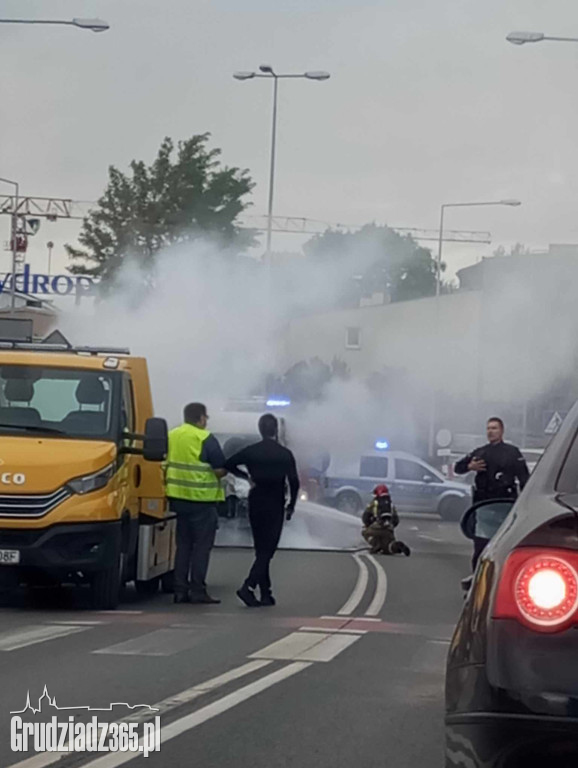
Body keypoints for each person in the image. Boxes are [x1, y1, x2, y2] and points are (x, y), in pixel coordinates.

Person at [224, 413, 300, 607]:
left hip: (256, 502)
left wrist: (246, 476)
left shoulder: (251, 451)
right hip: (275, 504)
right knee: (269, 550)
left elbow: (228, 464)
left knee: (261, 550)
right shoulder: (284, 454)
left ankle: (266, 593)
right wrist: (291, 506)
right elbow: (294, 482)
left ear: (260, 429)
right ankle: (248, 586)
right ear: (276, 430)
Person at [165, 402, 226, 605]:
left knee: (183, 546)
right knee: (201, 547)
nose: (206, 421)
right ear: (200, 418)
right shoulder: (204, 437)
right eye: (205, 417)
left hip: (178, 500)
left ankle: (180, 591)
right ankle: (198, 590)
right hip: (202, 500)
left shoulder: (172, 435)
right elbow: (219, 468)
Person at [455, 416, 529, 577]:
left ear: (502, 431)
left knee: (505, 547)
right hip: (483, 507)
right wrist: (470, 466)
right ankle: (476, 581)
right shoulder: (480, 452)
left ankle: (503, 579)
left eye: (494, 428)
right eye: (488, 428)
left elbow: (525, 479)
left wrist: (525, 504)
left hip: (505, 506)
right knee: (480, 548)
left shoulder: (512, 452)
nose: (490, 431)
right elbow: (457, 468)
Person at [362, 485, 411, 556]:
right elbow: (396, 520)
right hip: (388, 530)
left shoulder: (374, 502)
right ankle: (397, 546)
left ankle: (376, 544)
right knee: (388, 548)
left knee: (365, 532)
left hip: (376, 528)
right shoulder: (391, 504)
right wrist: (390, 527)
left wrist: (369, 525)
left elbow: (365, 517)